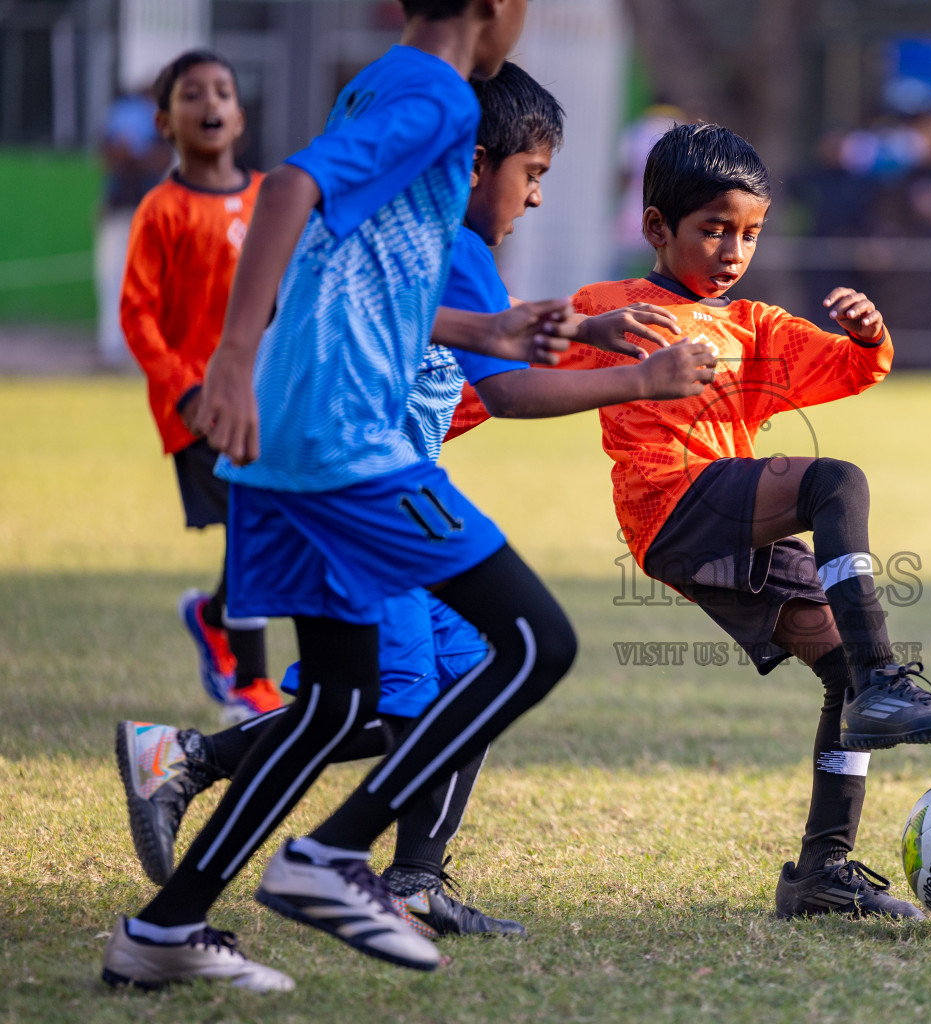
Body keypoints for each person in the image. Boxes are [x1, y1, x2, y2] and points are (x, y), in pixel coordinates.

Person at [114, 59, 714, 944]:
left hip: (366, 475)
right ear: (476, 164)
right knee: (415, 694)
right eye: (534, 175)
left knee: (452, 678)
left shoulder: (432, 236)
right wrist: (641, 380)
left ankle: (408, 878)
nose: (537, 199)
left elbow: (464, 327)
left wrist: (585, 329)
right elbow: (506, 390)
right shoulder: (451, 232)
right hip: (366, 490)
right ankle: (218, 784)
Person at [455, 123, 931, 920]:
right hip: (669, 506)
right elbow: (505, 371)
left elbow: (844, 367)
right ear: (657, 229)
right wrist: (418, 426)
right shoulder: (614, 310)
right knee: (835, 482)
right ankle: (884, 684)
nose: (735, 250)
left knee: (836, 670)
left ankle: (820, 875)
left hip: (733, 525)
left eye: (750, 233)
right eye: (715, 230)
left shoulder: (758, 330)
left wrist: (870, 339)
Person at [119, 50, 281, 723]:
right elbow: (138, 315)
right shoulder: (161, 210)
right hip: (199, 410)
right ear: (164, 120)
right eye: (192, 95)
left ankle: (213, 616)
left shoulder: (271, 197)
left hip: (267, 400)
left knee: (267, 522)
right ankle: (252, 682)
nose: (209, 103)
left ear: (240, 116)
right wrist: (188, 392)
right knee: (254, 526)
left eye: (222, 92)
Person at [97, 85, 173, 367]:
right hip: (118, 209)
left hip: (149, 211)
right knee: (111, 280)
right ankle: (111, 348)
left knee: (149, 283)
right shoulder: (119, 113)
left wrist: (135, 156)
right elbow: (106, 154)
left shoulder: (161, 119)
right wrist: (125, 154)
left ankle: (144, 348)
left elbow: (161, 158)